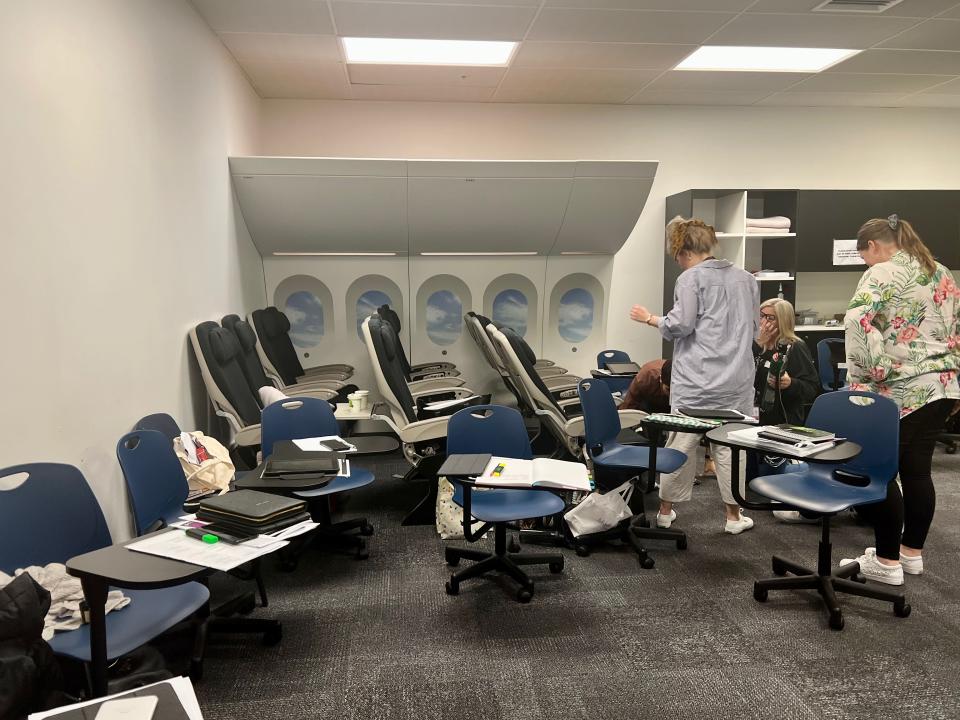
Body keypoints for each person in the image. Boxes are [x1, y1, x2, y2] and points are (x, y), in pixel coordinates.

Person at [839, 214, 960, 585]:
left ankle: (887, 561)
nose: (865, 264)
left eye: (864, 257)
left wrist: (865, 376)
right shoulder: (941, 272)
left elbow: (856, 322)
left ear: (872, 246)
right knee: (918, 470)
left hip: (902, 388)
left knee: (880, 471)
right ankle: (911, 554)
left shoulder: (882, 272)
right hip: (941, 385)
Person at [630, 216, 760, 534]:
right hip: (736, 383)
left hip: (697, 384)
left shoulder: (690, 279)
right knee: (730, 446)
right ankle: (733, 516)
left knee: (681, 444)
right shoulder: (747, 279)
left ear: (682, 252)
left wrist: (649, 319)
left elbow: (680, 326)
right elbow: (755, 330)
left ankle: (664, 512)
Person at [750, 298, 821, 522]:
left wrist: (791, 384)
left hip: (783, 421)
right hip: (755, 419)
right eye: (761, 316)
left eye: (770, 318)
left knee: (773, 482)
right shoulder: (758, 345)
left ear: (783, 321)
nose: (764, 322)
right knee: (754, 481)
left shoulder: (794, 347)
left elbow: (812, 389)